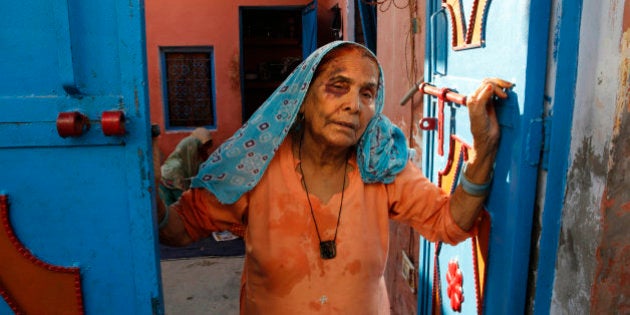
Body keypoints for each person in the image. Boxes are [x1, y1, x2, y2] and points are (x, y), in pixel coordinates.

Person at [156, 41, 511, 314]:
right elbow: (178, 230)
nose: (354, 105)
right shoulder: (255, 167)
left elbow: (450, 223)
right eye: (338, 86)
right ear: (303, 99)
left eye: (367, 93)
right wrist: (140, 173)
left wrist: (484, 147)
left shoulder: (382, 164)